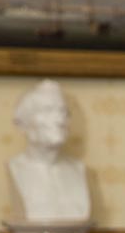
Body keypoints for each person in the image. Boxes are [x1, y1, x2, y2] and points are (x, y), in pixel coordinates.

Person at [7, 79, 90, 222]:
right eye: (47, 111)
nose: (59, 120)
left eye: (63, 112)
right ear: (23, 124)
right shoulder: (15, 168)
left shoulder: (78, 169)